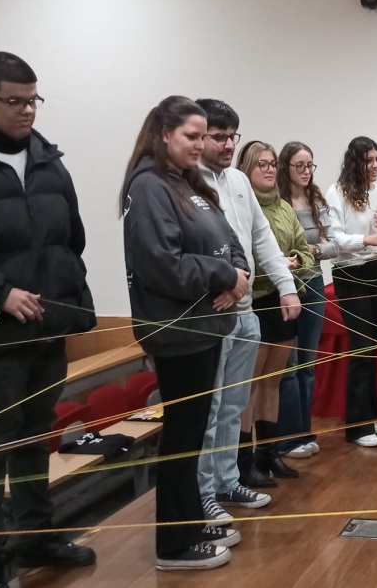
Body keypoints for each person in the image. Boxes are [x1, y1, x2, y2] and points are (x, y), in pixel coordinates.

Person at [121, 95, 246, 570]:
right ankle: (173, 544)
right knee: (183, 434)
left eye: (202, 136)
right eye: (191, 137)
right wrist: (222, 275)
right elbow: (163, 266)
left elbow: (229, 242)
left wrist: (238, 277)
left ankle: (190, 519)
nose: (199, 145)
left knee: (194, 432)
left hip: (207, 326)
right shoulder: (149, 187)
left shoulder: (187, 183)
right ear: (164, 134)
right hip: (178, 330)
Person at [0, 51, 97, 587]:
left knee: (34, 439)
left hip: (48, 327)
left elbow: (70, 239)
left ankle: (37, 538)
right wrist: (0, 291)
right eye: (13, 101)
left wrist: (70, 303)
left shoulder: (49, 160)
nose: (27, 110)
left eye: (33, 100)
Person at [194, 99, 298, 523]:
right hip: (211, 312)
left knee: (235, 405)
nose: (227, 144)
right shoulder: (185, 182)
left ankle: (227, 479)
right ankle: (203, 494)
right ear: (199, 136)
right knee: (212, 408)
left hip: (246, 310)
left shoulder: (237, 180)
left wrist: (287, 288)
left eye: (232, 135)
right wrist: (219, 280)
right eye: (219, 137)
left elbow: (261, 240)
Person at [237, 142, 312, 478]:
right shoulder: (242, 208)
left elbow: (305, 250)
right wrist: (274, 265)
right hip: (255, 300)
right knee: (250, 385)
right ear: (246, 169)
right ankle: (244, 459)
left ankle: (269, 452)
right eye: (260, 164)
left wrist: (294, 262)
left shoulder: (283, 207)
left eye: (271, 164)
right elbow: (243, 257)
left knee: (272, 381)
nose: (268, 169)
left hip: (284, 297)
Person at [325, 136, 377, 447]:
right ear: (355, 162)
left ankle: (367, 415)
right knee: (360, 346)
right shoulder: (337, 192)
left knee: (372, 343)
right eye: (369, 161)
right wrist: (368, 240)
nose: (376, 166)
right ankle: (356, 427)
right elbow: (335, 239)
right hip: (349, 273)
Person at [276, 142, 337, 458]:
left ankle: (305, 431)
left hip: (313, 283)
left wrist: (310, 252)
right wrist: (303, 253)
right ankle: (289, 438)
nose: (305, 171)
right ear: (286, 167)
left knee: (308, 365)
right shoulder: (278, 201)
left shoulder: (316, 199)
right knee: (291, 365)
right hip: (285, 287)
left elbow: (332, 246)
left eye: (310, 165)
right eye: (299, 165)